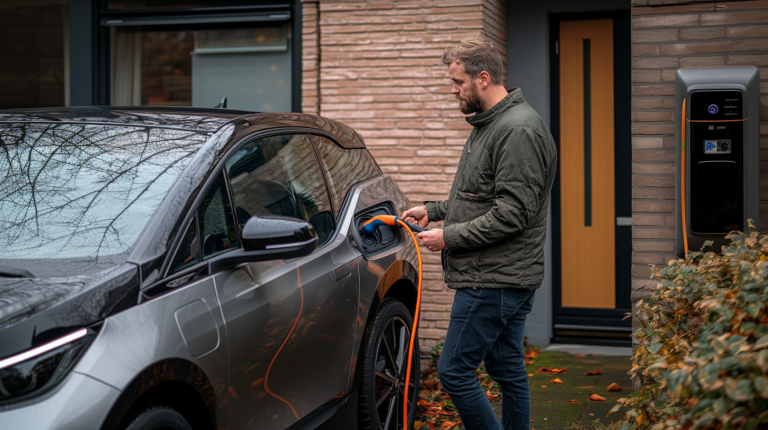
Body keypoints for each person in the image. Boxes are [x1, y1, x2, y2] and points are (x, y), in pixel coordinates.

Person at [402, 39, 557, 430]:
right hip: (505, 276)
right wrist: (433, 210)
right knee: (507, 372)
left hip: (493, 281)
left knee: (453, 371)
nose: (452, 89)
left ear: (482, 78)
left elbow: (512, 214)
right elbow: (481, 196)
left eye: (457, 82)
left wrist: (448, 236)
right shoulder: (493, 124)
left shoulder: (517, 130)